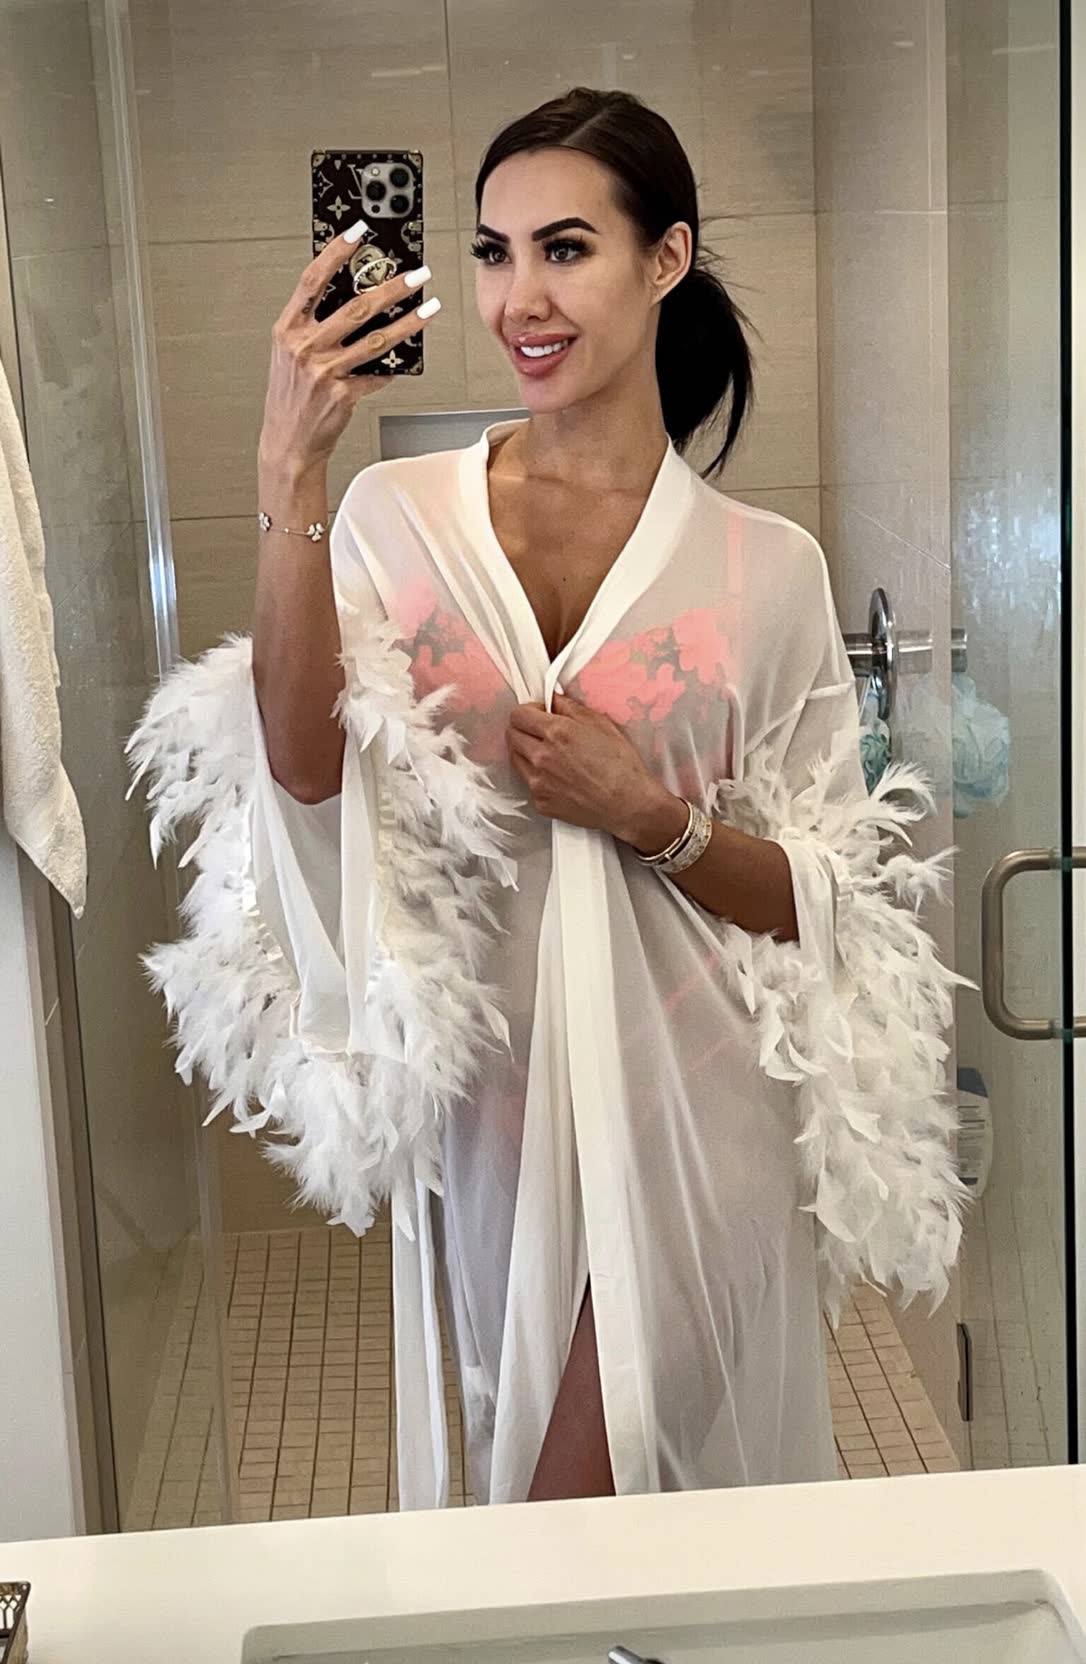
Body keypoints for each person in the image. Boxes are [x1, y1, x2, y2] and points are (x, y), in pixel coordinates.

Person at [127, 88, 975, 1513]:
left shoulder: (765, 566)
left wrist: (652, 815)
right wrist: (288, 469)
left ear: (665, 258)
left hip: (700, 1110)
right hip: (491, 1112)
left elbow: (833, 902)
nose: (518, 298)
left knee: (569, 1513)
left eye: (566, 249)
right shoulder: (396, 516)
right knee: (528, 1508)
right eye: (492, 252)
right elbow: (302, 768)